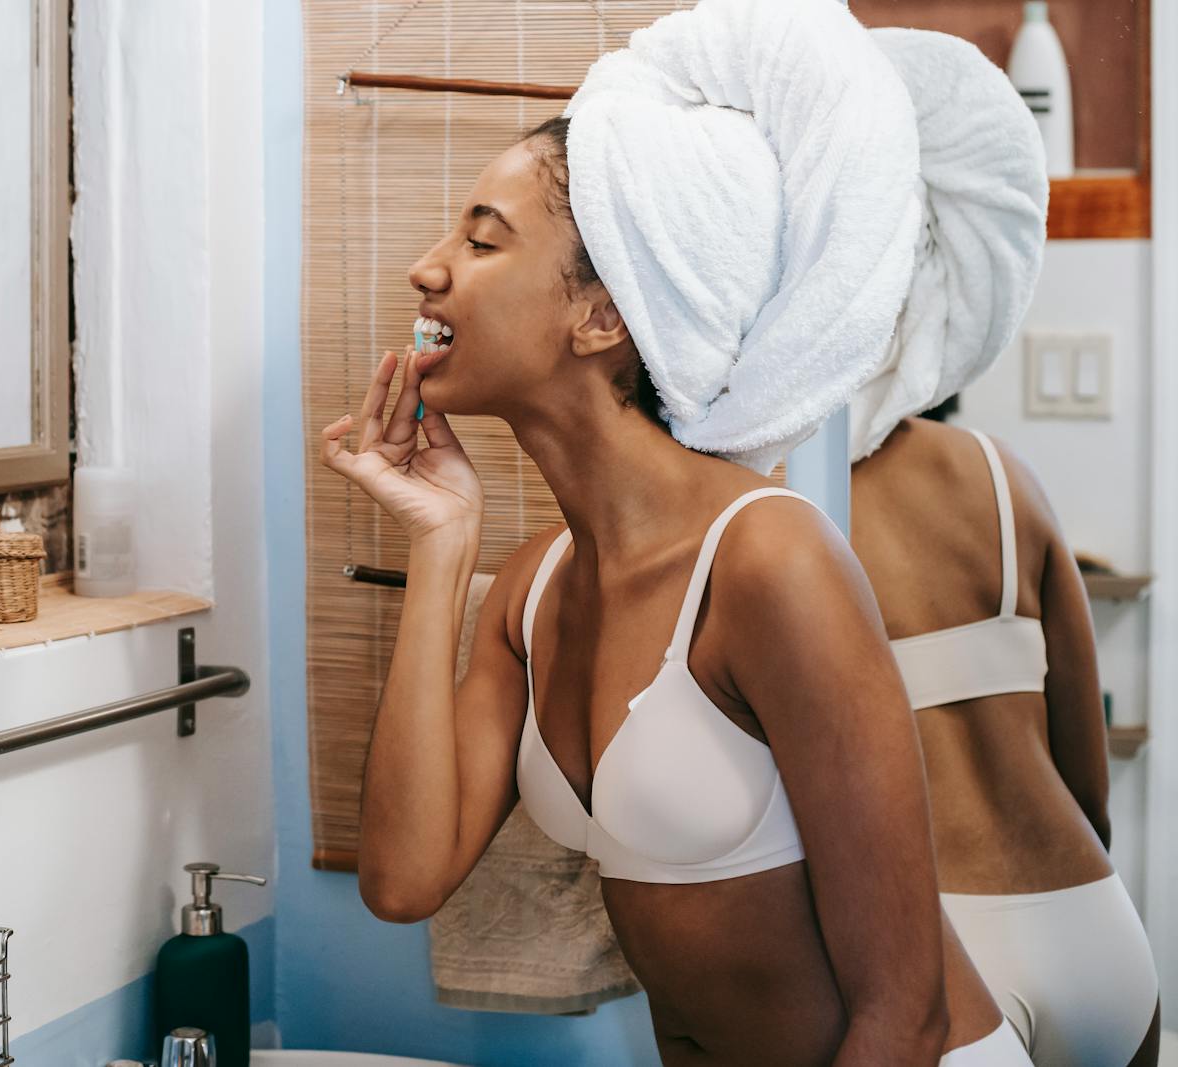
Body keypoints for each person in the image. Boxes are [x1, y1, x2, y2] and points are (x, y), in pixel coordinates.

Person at [318, 3, 1023, 1059]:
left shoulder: (769, 562)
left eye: (479, 239)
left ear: (604, 315)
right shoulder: (533, 586)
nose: (428, 268)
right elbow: (403, 878)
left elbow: (902, 1010)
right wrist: (439, 539)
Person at [844, 29, 1160, 1066]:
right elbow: (1085, 769)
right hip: (1100, 931)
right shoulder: (994, 470)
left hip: (947, 952)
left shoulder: (774, 514)